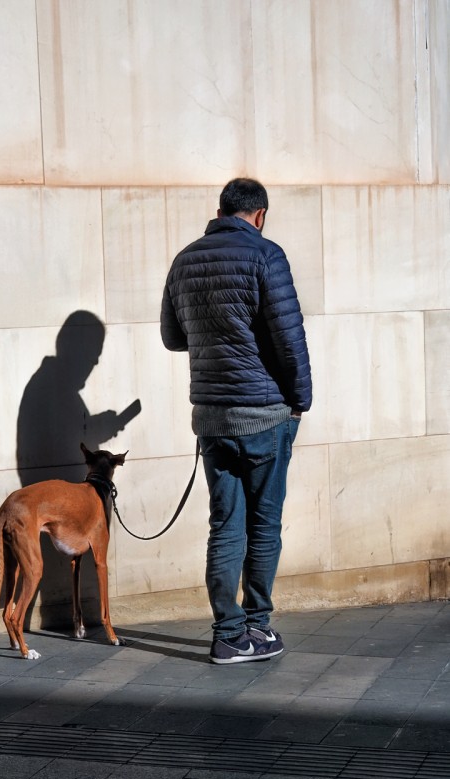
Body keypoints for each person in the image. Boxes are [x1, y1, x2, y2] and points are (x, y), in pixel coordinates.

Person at [161, 178, 312, 664]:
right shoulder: (267, 255)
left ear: (221, 210)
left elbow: (172, 335)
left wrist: (216, 338)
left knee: (225, 524)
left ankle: (228, 635)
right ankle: (258, 627)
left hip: (211, 417)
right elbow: (289, 339)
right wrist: (300, 401)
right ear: (260, 214)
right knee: (264, 524)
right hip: (264, 414)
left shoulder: (185, 259)